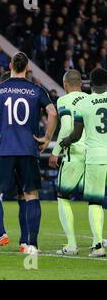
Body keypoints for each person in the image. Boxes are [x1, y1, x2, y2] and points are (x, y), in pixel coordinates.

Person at [0, 52, 58, 254]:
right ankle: (32, 244)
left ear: (11, 65)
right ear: (27, 67)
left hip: (4, 148)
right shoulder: (36, 90)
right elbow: (53, 112)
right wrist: (47, 138)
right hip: (28, 149)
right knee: (30, 195)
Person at [60, 67, 107, 257]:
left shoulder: (85, 104)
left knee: (95, 202)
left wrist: (65, 141)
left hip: (96, 156)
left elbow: (77, 133)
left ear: (90, 84)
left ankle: (98, 246)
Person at [48, 70, 87, 255]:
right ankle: (98, 242)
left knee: (63, 196)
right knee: (95, 199)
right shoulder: (90, 99)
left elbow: (66, 127)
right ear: (81, 83)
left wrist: (56, 152)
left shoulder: (64, 101)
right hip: (94, 155)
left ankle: (71, 244)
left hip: (74, 153)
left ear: (65, 84)